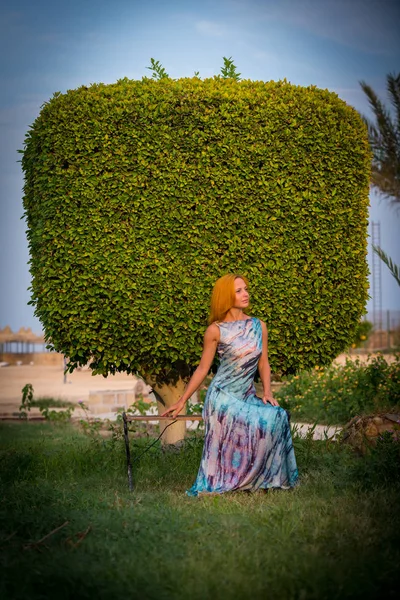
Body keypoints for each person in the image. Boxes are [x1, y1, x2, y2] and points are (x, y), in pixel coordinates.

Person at [162, 274, 299, 496]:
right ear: (226, 296)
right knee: (262, 420)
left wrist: (268, 391)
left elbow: (263, 362)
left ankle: (262, 479)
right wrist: (181, 401)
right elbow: (202, 369)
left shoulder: (258, 325)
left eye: (245, 289)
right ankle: (240, 480)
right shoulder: (215, 330)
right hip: (223, 396)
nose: (246, 294)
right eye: (239, 291)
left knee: (278, 415)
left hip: (246, 394)